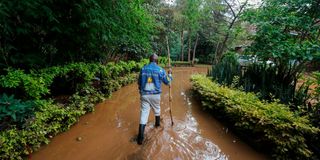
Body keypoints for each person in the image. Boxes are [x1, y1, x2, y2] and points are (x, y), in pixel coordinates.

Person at [137, 53, 173, 145]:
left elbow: (139, 82)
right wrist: (170, 74)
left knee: (144, 115)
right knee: (157, 110)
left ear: (149, 60)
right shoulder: (161, 70)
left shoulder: (143, 69)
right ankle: (157, 126)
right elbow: (168, 82)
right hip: (155, 95)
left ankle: (140, 139)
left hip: (144, 94)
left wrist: (141, 92)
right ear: (157, 61)